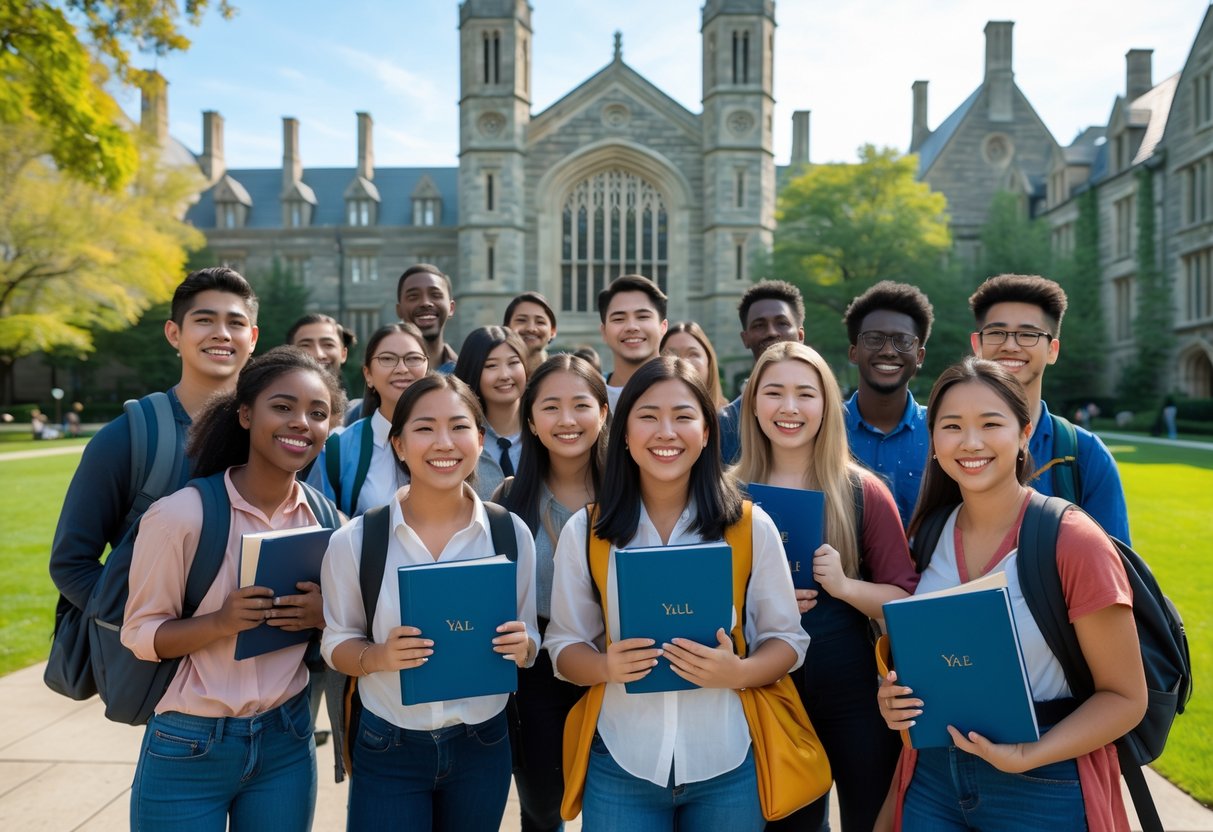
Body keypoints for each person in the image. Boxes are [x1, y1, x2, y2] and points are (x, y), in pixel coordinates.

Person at [879, 357, 1146, 831]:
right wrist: (893, 698)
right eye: (952, 426)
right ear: (933, 441)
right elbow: (934, 656)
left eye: (990, 423)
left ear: (1024, 434)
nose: (971, 442)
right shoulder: (929, 532)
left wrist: (1031, 754)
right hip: (934, 778)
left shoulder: (1071, 540)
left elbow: (1125, 697)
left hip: (1044, 779)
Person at [545, 356, 808, 832]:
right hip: (622, 761)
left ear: (707, 432)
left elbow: (788, 640)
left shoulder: (749, 527)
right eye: (647, 416)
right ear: (624, 433)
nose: (666, 431)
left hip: (728, 759)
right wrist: (605, 666)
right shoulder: (587, 530)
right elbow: (564, 647)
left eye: (684, 416)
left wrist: (740, 672)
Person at [121, 347, 345, 831]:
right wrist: (220, 622)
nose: (301, 423)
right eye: (282, 407)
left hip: (287, 737)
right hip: (189, 743)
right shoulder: (181, 516)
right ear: (246, 414)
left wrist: (322, 615)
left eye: (318, 413)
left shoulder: (330, 522)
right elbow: (141, 635)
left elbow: (350, 631)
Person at [320, 373, 540, 832]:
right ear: (398, 444)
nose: (444, 442)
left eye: (459, 427)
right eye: (424, 428)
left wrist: (524, 647)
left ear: (479, 440)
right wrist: (377, 656)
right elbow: (336, 642)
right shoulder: (357, 541)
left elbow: (528, 635)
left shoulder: (509, 532)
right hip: (388, 742)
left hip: (483, 742)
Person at [733, 342, 917, 832]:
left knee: (870, 816)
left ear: (827, 405)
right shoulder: (724, 496)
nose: (789, 408)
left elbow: (905, 598)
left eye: (805, 394)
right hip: (768, 692)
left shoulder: (862, 491)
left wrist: (844, 586)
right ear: (753, 403)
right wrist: (756, 605)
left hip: (852, 690)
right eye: (773, 392)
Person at [51, 267, 259, 617]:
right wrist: (140, 630)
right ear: (174, 333)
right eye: (205, 320)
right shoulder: (128, 438)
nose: (222, 334)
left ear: (252, 338)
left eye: (235, 323)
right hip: (156, 661)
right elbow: (71, 562)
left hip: (255, 663)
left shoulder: (271, 434)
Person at [496, 354, 609, 832]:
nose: (567, 420)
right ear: (531, 422)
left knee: (616, 806)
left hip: (619, 663)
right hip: (535, 670)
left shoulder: (637, 495)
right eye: (550, 407)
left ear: (604, 413)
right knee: (544, 810)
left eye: (581, 405)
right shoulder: (504, 502)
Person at [969, 274, 1130, 543]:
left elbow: (1114, 573)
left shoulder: (1084, 455)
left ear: (1053, 350)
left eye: (1028, 334)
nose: (1010, 345)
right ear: (977, 345)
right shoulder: (941, 444)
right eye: (997, 333)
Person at [308, 323, 429, 516]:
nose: (402, 368)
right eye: (387, 359)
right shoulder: (338, 449)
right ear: (368, 375)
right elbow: (320, 529)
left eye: (413, 358)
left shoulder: (451, 439)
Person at [842, 281, 934, 528]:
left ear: (920, 356)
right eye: (874, 339)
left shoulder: (941, 431)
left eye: (902, 341)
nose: (888, 351)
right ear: (854, 352)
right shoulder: (824, 428)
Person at [719, 280, 806, 465]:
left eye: (782, 323)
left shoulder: (833, 416)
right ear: (745, 338)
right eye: (759, 325)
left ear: (800, 336)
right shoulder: (725, 426)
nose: (771, 332)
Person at [453, 326, 530, 501]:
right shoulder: (459, 439)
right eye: (491, 365)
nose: (504, 375)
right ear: (473, 370)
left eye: (513, 363)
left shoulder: (544, 433)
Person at [596, 274, 668, 412]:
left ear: (663, 326)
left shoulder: (687, 391)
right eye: (619, 319)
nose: (631, 327)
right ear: (604, 332)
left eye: (642, 317)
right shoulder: (590, 396)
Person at [287, 313, 361, 425]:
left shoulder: (359, 415)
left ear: (343, 354)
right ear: (290, 353)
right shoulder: (277, 409)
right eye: (306, 345)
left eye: (328, 345)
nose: (319, 354)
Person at [396, 264, 458, 373]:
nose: (425, 303)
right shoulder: (385, 373)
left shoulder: (467, 376)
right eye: (413, 297)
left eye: (435, 295)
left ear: (451, 308)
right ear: (399, 310)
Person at [661, 321, 727, 409]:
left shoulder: (733, 419)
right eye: (671, 354)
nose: (683, 362)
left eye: (693, 354)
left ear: (709, 362)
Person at [505, 291, 558, 371]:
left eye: (540, 322)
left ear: (552, 331)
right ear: (506, 328)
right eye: (521, 320)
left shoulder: (561, 375)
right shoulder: (496, 375)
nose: (531, 328)